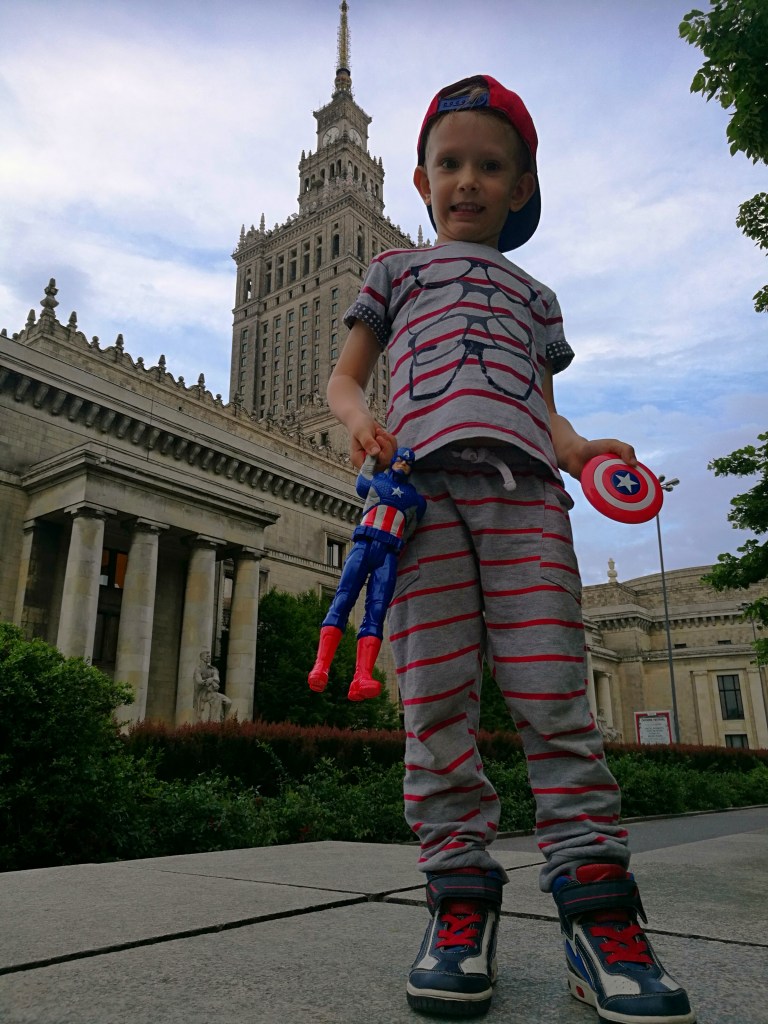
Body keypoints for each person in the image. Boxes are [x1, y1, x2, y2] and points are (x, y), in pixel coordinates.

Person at [326, 75, 694, 1023]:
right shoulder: (394, 272)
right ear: (420, 181)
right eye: (450, 164)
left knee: (556, 701)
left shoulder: (536, 296)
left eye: (491, 167)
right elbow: (344, 381)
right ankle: (458, 904)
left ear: (521, 187)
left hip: (527, 501)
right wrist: (361, 422)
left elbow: (544, 406)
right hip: (422, 505)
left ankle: (600, 917)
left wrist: (580, 450)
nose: (468, 181)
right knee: (435, 707)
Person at [308, 447, 426, 700]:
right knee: (343, 599)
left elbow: (410, 530)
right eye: (400, 459)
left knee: (376, 611)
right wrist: (372, 453)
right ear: (393, 461)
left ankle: (362, 675)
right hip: (365, 546)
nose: (403, 464)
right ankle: (321, 666)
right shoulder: (380, 483)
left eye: (408, 462)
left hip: (386, 552)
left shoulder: (414, 499)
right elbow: (362, 482)